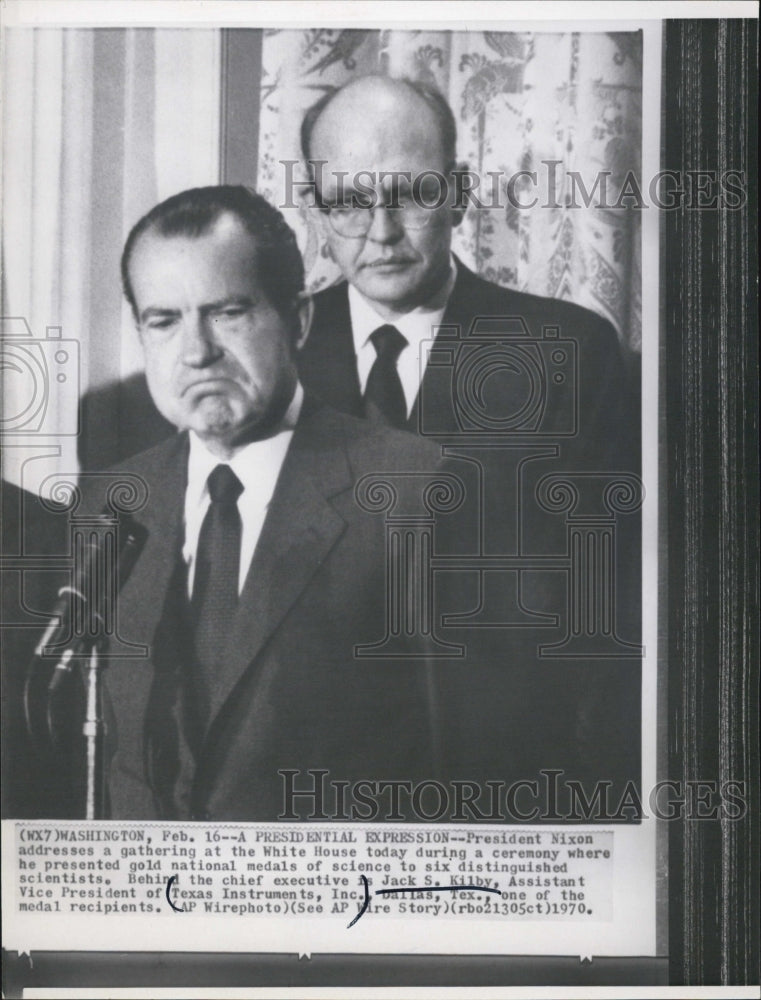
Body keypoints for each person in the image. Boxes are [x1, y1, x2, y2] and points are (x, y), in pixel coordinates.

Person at [297, 75, 641, 806]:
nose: (381, 232)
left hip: (511, 783)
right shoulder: (272, 355)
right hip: (311, 787)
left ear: (457, 192)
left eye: (412, 194)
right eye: (350, 200)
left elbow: (610, 608)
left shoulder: (566, 350)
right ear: (313, 208)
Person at [77, 185, 444, 821]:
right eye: (163, 320)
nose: (196, 351)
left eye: (227, 313)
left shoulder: (415, 490)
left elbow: (470, 761)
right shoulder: (108, 504)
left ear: (297, 320)